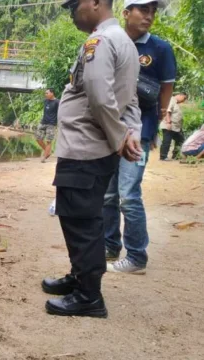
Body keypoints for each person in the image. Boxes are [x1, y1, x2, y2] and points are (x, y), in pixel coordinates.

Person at [41, 0, 142, 318]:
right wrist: (131, 131)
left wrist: (119, 137)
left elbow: (100, 95)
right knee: (83, 216)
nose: (72, 10)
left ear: (96, 2)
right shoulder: (122, 41)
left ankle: (89, 296)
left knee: (81, 220)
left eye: (75, 4)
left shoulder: (101, 41)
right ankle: (80, 277)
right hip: (93, 148)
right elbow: (130, 96)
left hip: (86, 148)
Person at [103, 0, 177, 275]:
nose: (149, 16)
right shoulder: (112, 40)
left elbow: (166, 88)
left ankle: (136, 256)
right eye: (143, 9)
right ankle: (110, 246)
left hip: (140, 131)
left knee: (128, 194)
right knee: (108, 194)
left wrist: (156, 120)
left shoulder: (160, 48)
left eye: (152, 11)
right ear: (126, 12)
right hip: (110, 130)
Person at [160, 92, 188, 160]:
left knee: (180, 140)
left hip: (176, 127)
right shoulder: (171, 100)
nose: (183, 100)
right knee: (167, 141)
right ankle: (163, 156)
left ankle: (175, 155)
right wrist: (168, 122)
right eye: (184, 98)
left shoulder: (176, 103)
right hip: (169, 125)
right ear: (180, 95)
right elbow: (168, 111)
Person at [36, 89, 60, 162]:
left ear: (52, 93)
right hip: (43, 122)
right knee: (38, 139)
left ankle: (44, 157)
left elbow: (60, 112)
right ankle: (48, 151)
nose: (45, 94)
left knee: (48, 141)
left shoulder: (57, 102)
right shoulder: (45, 101)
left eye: (47, 93)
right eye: (45, 93)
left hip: (51, 124)